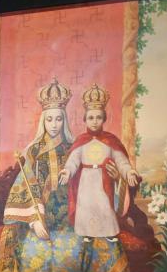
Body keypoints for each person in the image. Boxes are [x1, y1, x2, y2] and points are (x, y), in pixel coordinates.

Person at [0, 80, 136, 272]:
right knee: (36, 254)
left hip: (73, 218)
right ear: (43, 121)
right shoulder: (33, 152)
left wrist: (114, 176)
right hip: (42, 220)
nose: (54, 124)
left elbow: (95, 180)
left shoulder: (75, 148)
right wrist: (35, 219)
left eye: (59, 119)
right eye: (50, 120)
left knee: (71, 254)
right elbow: (26, 186)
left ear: (65, 120)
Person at [58, 83, 140, 240]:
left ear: (104, 119)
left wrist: (129, 171)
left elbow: (121, 161)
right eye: (91, 118)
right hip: (86, 181)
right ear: (85, 120)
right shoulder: (81, 141)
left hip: (104, 180)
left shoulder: (110, 141)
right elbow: (73, 161)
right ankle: (86, 233)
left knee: (104, 207)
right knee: (86, 206)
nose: (94, 121)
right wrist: (67, 171)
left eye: (98, 117)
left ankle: (108, 232)